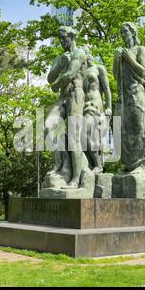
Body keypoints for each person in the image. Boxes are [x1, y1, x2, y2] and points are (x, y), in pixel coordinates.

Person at [45, 26, 89, 189]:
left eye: (64, 38)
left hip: (75, 95)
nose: (62, 41)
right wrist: (59, 65)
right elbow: (50, 78)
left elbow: (70, 74)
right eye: (60, 39)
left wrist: (57, 84)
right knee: (49, 126)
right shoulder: (60, 57)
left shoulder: (80, 53)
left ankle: (76, 179)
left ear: (72, 37)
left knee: (73, 138)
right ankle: (59, 165)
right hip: (62, 97)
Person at [113, 22, 145, 173]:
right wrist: (116, 59)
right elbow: (117, 76)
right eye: (122, 33)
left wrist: (129, 57)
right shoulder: (122, 52)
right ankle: (129, 164)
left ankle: (141, 164)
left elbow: (143, 71)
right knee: (123, 130)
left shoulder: (140, 49)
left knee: (139, 127)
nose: (124, 35)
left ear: (133, 32)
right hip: (123, 97)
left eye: (125, 32)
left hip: (136, 93)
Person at [82, 48, 112, 173]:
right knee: (80, 137)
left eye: (87, 53)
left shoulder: (99, 69)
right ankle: (90, 164)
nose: (86, 56)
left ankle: (98, 165)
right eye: (83, 55)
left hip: (95, 106)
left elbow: (106, 89)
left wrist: (109, 107)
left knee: (87, 134)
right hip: (83, 108)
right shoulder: (80, 73)